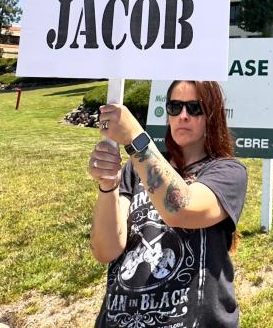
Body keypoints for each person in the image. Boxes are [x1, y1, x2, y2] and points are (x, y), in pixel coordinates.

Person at [87, 80, 248, 328]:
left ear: (212, 116)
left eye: (195, 108)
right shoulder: (135, 169)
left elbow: (182, 208)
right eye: (175, 107)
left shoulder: (227, 171)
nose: (183, 116)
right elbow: (106, 251)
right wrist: (108, 185)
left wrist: (134, 137)